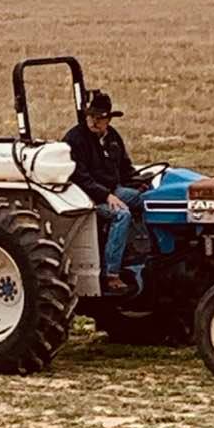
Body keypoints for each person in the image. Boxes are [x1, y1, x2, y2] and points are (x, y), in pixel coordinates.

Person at [63, 90, 143, 294]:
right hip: (86, 197)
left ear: (108, 119)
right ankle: (111, 273)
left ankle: (139, 255)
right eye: (90, 116)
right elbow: (80, 177)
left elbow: (125, 168)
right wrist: (106, 196)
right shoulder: (75, 140)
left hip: (112, 190)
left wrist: (140, 183)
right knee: (121, 214)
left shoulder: (112, 137)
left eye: (98, 117)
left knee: (145, 200)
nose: (93, 121)